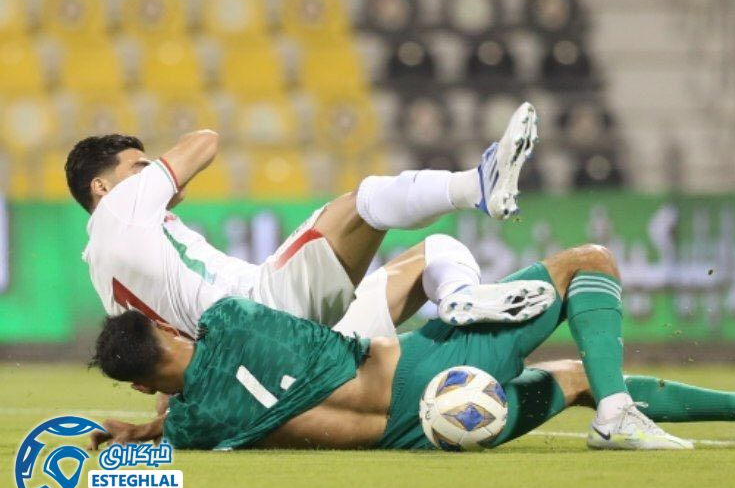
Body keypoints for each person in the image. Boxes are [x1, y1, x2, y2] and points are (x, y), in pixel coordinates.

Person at [91, 245, 735, 452]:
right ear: (169, 329)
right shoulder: (236, 319)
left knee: (570, 377)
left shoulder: (192, 427)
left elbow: (172, 415)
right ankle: (621, 412)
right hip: (428, 372)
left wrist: (141, 428)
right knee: (586, 265)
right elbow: (328, 301)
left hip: (421, 435)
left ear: (136, 384)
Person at [65, 102, 545, 339]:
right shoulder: (120, 208)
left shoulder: (103, 272)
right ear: (101, 188)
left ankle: (459, 301)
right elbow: (204, 142)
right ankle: (478, 186)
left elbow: (164, 352)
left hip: (279, 350)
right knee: (368, 200)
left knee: (442, 252)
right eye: (136, 167)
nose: (148, 174)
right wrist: (162, 172)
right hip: (266, 305)